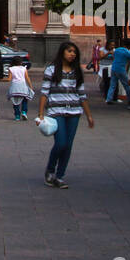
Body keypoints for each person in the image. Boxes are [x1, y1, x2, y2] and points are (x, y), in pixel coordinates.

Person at [37, 41, 95, 187]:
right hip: (56, 111)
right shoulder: (51, 70)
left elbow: (82, 94)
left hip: (74, 111)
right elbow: (44, 92)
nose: (72, 54)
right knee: (61, 143)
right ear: (62, 52)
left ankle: (60, 176)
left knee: (68, 145)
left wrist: (89, 116)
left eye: (74, 52)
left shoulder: (76, 71)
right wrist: (41, 114)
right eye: (69, 51)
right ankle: (50, 170)